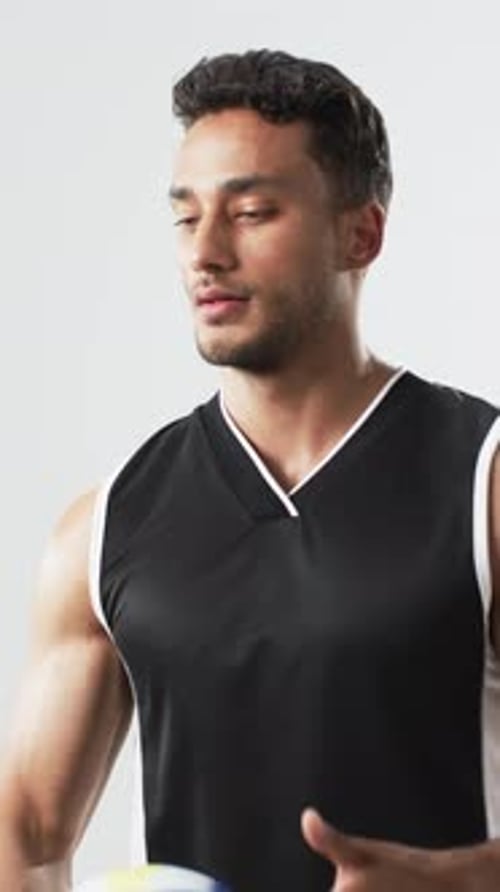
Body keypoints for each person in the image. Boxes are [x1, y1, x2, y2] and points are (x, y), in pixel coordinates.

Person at [0, 48, 499, 892]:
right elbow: (28, 831)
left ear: (361, 232)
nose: (206, 252)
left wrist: (464, 879)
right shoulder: (108, 524)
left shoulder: (482, 486)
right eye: (185, 218)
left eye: (253, 211)